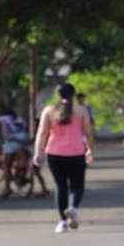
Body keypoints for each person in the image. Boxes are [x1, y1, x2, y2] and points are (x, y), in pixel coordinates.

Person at [32, 83, 95, 233]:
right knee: (77, 186)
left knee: (61, 187)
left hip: (54, 153)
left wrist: (38, 153)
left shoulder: (48, 110)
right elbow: (88, 132)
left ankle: (62, 223)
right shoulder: (81, 111)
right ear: (73, 94)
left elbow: (42, 133)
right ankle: (73, 208)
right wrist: (91, 150)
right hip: (76, 152)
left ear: (58, 95)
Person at [0, 108, 48, 199]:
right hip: (24, 141)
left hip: (11, 142)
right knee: (25, 161)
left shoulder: (2, 118)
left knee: (7, 165)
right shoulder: (21, 120)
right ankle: (21, 175)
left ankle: (7, 187)